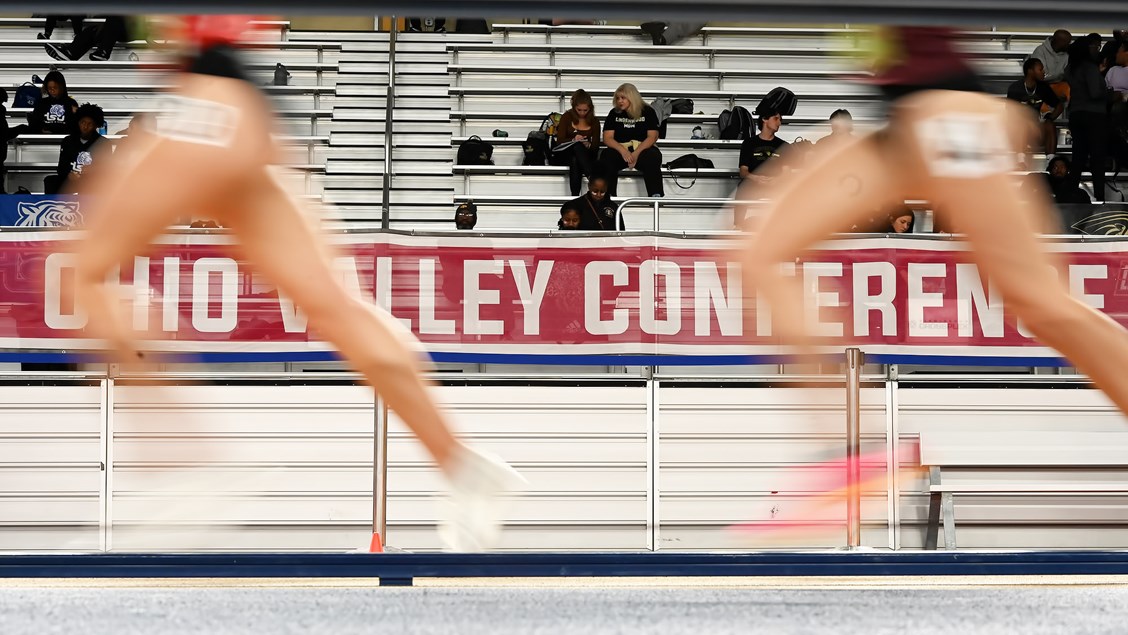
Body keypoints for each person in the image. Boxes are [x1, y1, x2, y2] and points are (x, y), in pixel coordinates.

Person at [69, 15, 522, 553]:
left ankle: (184, 463)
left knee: (82, 273)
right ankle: (465, 466)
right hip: (247, 118)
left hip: (201, 108)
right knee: (335, 307)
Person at [739, 26, 1128, 424]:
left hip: (950, 118)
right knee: (761, 251)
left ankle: (846, 438)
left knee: (1040, 303)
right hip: (908, 131)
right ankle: (846, 443)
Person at [598, 83, 664, 198]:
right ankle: (609, 196)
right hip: (621, 150)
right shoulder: (614, 113)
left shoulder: (648, 111)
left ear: (632, 97)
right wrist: (623, 151)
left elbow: (652, 137)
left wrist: (635, 154)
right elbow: (607, 138)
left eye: (623, 98)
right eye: (617, 98)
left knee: (653, 157)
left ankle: (655, 195)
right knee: (607, 155)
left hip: (642, 148)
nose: (620, 101)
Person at [1065, 37, 1110, 202]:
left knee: (1078, 158)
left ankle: (1071, 195)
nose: (1097, 50)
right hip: (1094, 116)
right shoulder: (1089, 67)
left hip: (1076, 114)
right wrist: (1109, 93)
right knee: (1097, 159)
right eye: (1093, 47)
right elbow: (1095, 93)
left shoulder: (1070, 68)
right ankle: (1099, 199)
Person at [45, 103, 108, 195]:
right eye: (83, 122)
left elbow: (107, 169)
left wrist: (93, 171)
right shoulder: (68, 141)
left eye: (90, 124)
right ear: (78, 122)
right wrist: (69, 175)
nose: (85, 127)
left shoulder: (104, 143)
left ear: (96, 126)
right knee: (51, 181)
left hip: (92, 181)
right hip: (72, 180)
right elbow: (61, 168)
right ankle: (54, 207)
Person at [1005, 58, 1063, 155]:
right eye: (1040, 70)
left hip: (1036, 129)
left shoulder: (1043, 87)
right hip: (1018, 130)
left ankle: (1050, 161)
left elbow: (1059, 106)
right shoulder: (1016, 88)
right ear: (1030, 71)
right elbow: (1010, 114)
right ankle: (1020, 161)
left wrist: (1051, 117)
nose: (1043, 72)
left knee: (1049, 125)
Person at [554, 89, 601, 197]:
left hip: (587, 155)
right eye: (579, 110)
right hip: (566, 153)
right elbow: (559, 141)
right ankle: (591, 178)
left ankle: (574, 196)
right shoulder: (566, 117)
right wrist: (573, 140)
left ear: (590, 109)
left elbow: (595, 146)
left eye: (585, 110)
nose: (582, 113)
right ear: (574, 107)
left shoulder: (595, 121)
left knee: (576, 158)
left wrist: (588, 144)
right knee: (576, 149)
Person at [7, 70, 78, 140]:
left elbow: (75, 127)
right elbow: (34, 124)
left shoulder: (71, 103)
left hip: (64, 137)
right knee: (22, 127)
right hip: (43, 135)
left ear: (61, 87)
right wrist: (41, 130)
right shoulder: (42, 102)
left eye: (55, 87)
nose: (52, 90)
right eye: (49, 88)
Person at [44, 15, 128, 61]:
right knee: (91, 30)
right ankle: (70, 54)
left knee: (116, 16)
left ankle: (104, 52)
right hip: (116, 28)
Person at [1028, 29, 1072, 99]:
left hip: (1059, 89)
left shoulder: (1067, 54)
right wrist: (1060, 75)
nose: (1068, 45)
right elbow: (1041, 76)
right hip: (1041, 89)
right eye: (1066, 42)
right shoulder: (1040, 51)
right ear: (1058, 41)